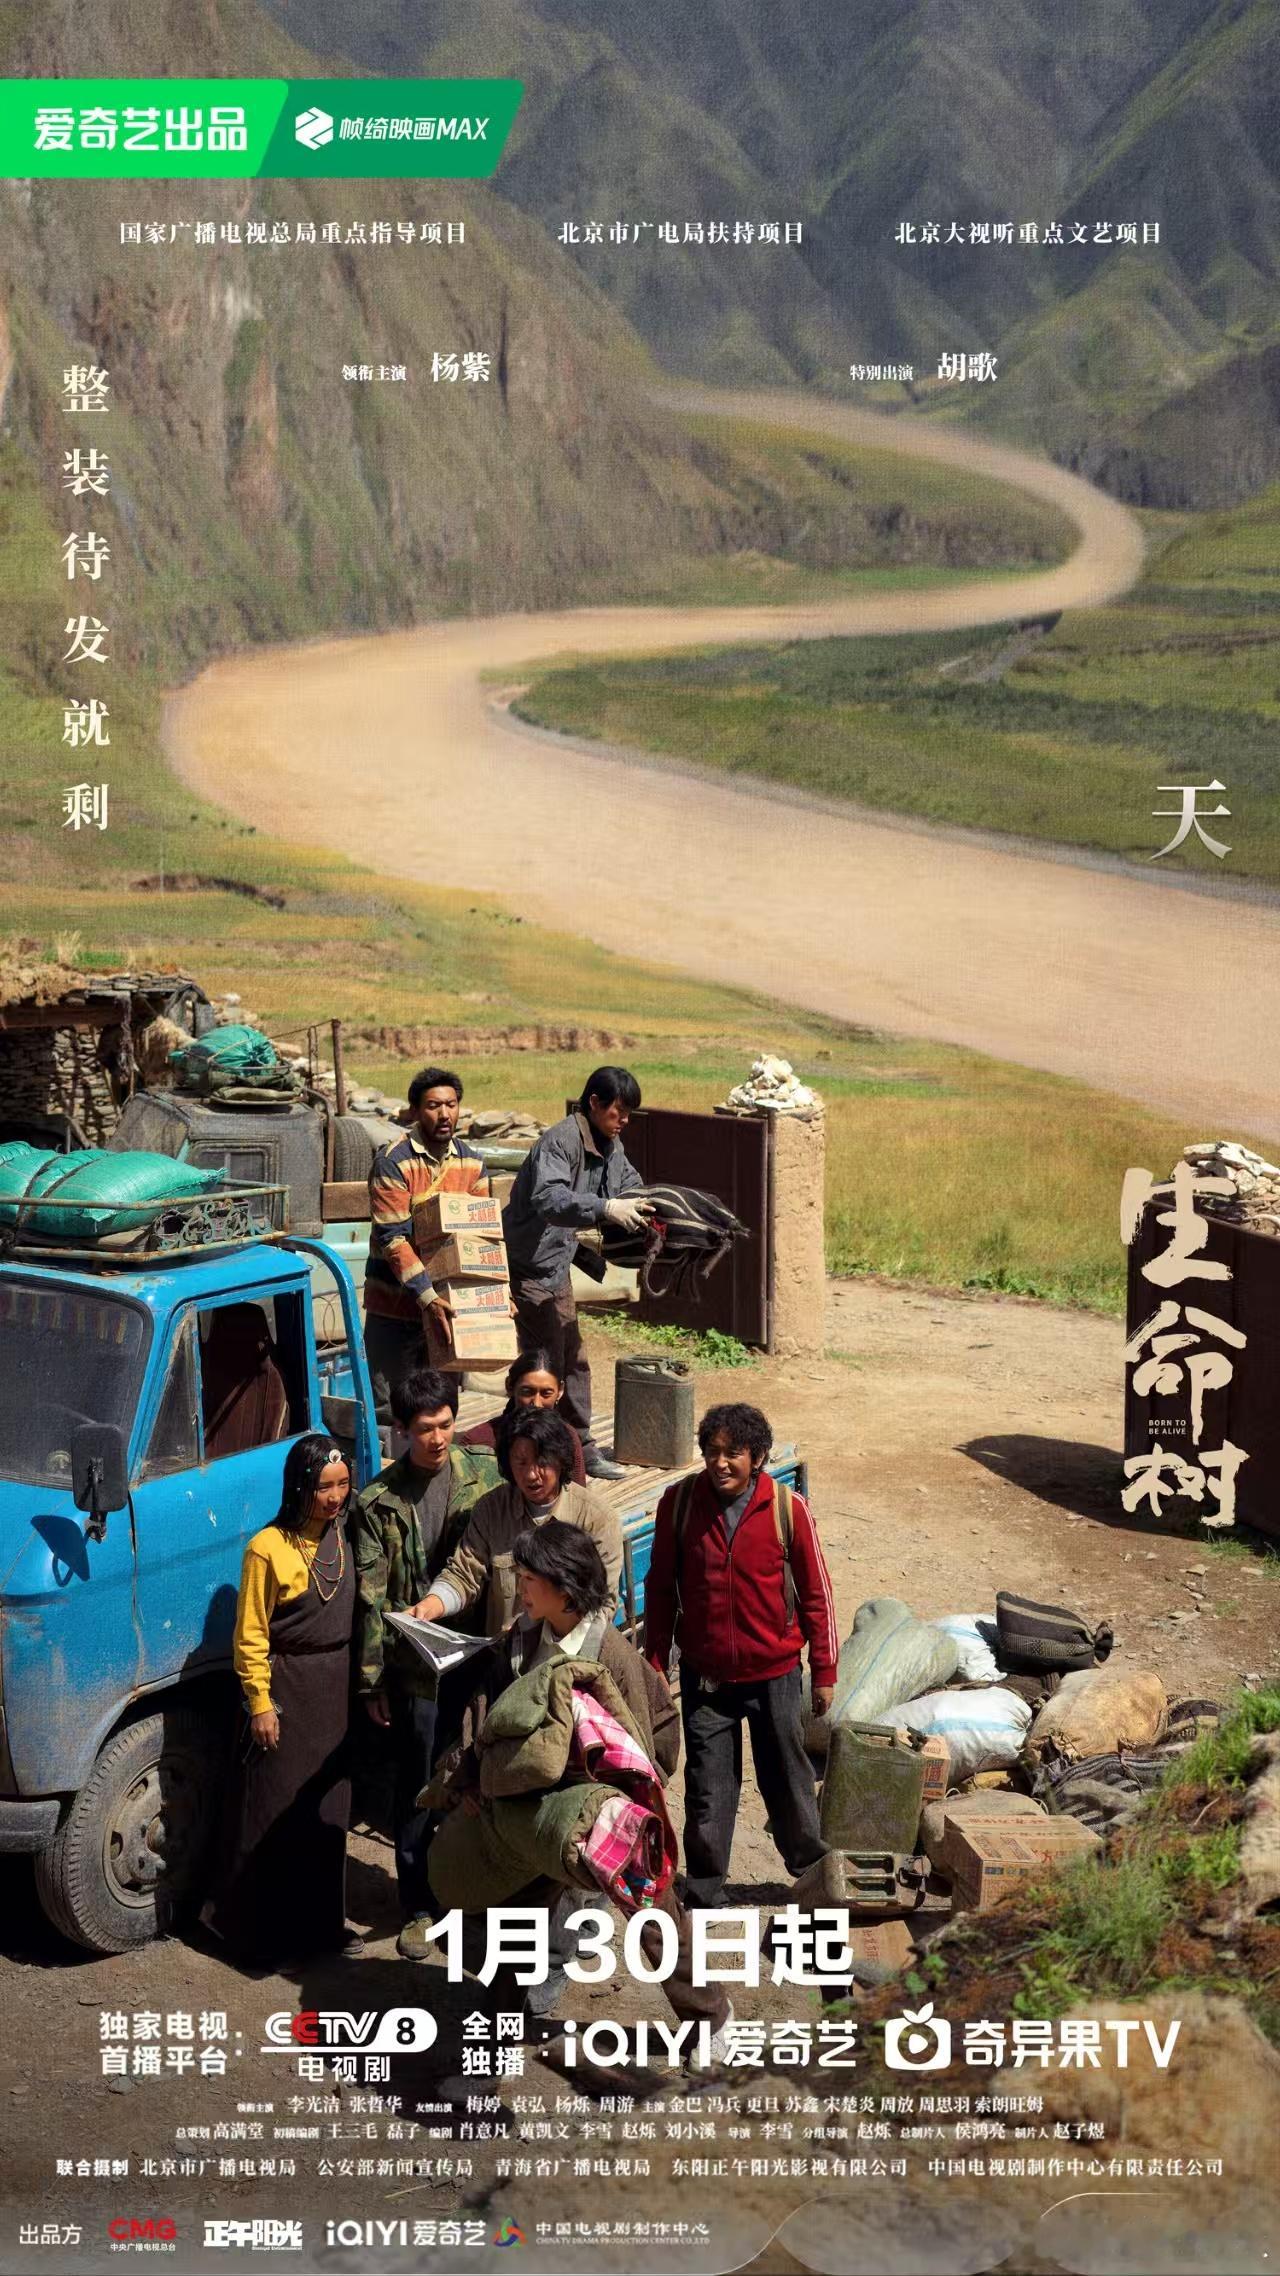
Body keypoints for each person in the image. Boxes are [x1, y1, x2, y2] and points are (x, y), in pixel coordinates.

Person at [403, 1523, 730, 2050]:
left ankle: (711, 2021)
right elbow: (486, 1718)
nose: (520, 1588)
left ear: (565, 1587)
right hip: (538, 1808)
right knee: (518, 1919)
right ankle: (494, 2045)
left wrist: (624, 1810)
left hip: (604, 1808)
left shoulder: (610, 1654)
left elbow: (645, 1743)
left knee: (652, 1912)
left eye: (529, 1579)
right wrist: (468, 1780)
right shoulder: (521, 1641)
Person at [643, 1402, 838, 1909]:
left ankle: (812, 1876)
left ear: (759, 1457)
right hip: (706, 1678)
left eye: (734, 1453)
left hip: (775, 1674)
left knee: (789, 1780)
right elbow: (659, 1588)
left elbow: (816, 1594)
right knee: (708, 1787)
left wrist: (824, 1670)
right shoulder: (679, 1504)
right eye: (712, 1451)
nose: (721, 1463)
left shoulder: (786, 1508)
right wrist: (656, 1661)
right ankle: (705, 1890)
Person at [351, 1368, 501, 1922]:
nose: (438, 1438)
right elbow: (370, 1602)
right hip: (417, 1668)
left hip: (481, 1657)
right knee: (419, 1783)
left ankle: (476, 1895)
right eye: (424, 1429)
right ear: (401, 1430)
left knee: (481, 1777)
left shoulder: (486, 1473)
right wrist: (371, 1682)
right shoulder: (378, 1502)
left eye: (445, 1424)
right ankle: (417, 1904)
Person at [206, 1435, 359, 1965]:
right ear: (299, 1487)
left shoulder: (344, 1534)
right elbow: (250, 1635)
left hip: (333, 1690)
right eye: (324, 1487)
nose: (335, 1497)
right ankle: (257, 1935)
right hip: (287, 1690)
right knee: (275, 1812)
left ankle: (320, 1928)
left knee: (327, 1810)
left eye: (343, 1485)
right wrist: (260, 1703)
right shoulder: (266, 1549)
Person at [502, 1066, 653, 1481]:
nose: (624, 1121)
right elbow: (550, 1198)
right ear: (594, 1103)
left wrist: (651, 1207)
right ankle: (534, 1447)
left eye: (629, 1114)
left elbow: (629, 1184)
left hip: (557, 1264)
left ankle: (578, 1447)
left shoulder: (611, 1144)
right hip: (527, 1266)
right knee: (546, 1361)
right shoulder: (560, 1141)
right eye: (619, 1112)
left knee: (574, 1357)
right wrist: (605, 1208)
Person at [409, 1408, 622, 1638]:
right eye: (521, 1462)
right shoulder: (492, 1509)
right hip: (502, 1654)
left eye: (541, 1461)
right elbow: (464, 1574)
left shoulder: (597, 1519)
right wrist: (430, 1606)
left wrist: (543, 1637)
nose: (531, 1474)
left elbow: (602, 1606)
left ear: (561, 1459)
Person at [362, 1065, 489, 1416]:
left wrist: (495, 1295)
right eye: (433, 1106)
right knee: (391, 1414)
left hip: (448, 1310)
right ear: (415, 1111)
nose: (444, 1114)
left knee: (442, 1408)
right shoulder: (393, 1162)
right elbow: (392, 1239)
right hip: (393, 1308)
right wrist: (428, 1297)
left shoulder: (472, 1163)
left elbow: (481, 1235)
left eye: (451, 1104)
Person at [456, 1347, 588, 1485]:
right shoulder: (477, 1441)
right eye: (527, 1392)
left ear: (560, 1391)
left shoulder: (568, 1438)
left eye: (546, 1393)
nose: (536, 1403)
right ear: (509, 1386)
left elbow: (577, 1495)